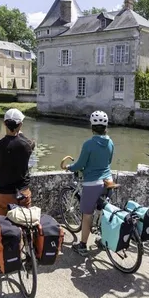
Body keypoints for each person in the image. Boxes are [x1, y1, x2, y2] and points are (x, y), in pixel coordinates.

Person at [63, 110, 115, 257]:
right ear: (105, 126)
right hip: (108, 181)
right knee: (103, 212)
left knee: (87, 215)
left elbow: (80, 164)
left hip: (93, 183)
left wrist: (69, 167)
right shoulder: (110, 142)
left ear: (92, 126)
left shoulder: (88, 144)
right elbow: (109, 161)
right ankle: (104, 240)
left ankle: (83, 246)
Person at [0, 108, 36, 217]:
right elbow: (30, 143)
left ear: (4, 124)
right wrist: (19, 134)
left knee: (2, 225)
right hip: (22, 193)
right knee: (24, 224)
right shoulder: (27, 145)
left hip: (2, 194)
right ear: (20, 125)